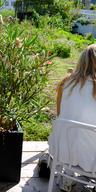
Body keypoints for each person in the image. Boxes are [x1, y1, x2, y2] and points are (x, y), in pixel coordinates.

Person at [48, 44, 96, 191]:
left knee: (74, 132)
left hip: (62, 150)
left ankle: (67, 176)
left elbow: (60, 113)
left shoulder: (66, 82)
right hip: (92, 159)